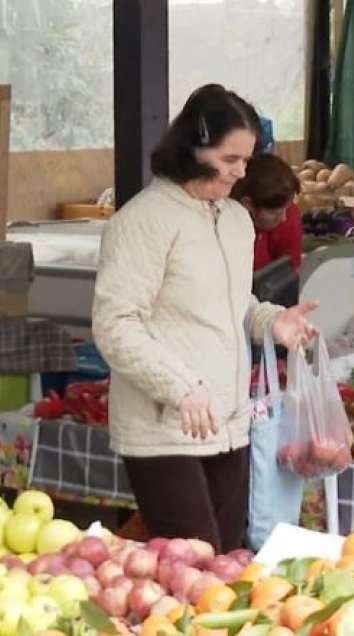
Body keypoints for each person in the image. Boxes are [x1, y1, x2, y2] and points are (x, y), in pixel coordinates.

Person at [91, 84, 318, 553]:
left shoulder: (235, 220)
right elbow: (115, 324)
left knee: (226, 566)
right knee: (193, 568)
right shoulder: (144, 221)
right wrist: (180, 387)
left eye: (246, 160)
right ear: (193, 147)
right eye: (230, 158)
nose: (241, 171)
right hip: (164, 429)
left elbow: (235, 303)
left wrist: (272, 322)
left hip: (228, 424)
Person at [230, 153, 303, 272]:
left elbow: (290, 273)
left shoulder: (289, 218)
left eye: (288, 207)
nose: (283, 218)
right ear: (247, 204)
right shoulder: (225, 228)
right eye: (274, 213)